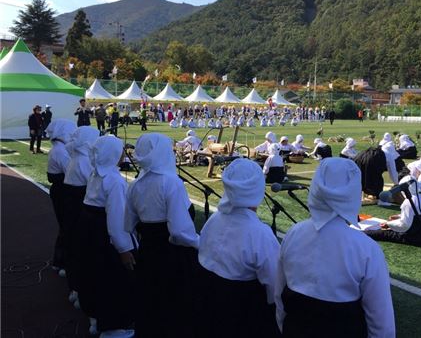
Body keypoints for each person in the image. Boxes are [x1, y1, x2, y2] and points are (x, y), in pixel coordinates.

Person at [275, 158, 395, 337]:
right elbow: (381, 321)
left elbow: (279, 295)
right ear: (353, 193)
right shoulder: (366, 249)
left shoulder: (294, 233)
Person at [125, 133, 199, 337]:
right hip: (174, 257)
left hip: (147, 254)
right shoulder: (171, 182)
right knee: (175, 308)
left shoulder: (135, 185)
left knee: (150, 305)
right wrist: (201, 243)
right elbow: (179, 232)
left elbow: (128, 224)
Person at [196, 159, 280, 338]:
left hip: (206, 301)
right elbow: (275, 286)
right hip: (241, 311)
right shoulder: (260, 233)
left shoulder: (214, 219)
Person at [75, 136, 136, 336]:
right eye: (120, 151)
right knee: (111, 277)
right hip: (102, 231)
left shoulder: (96, 174)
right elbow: (116, 221)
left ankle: (94, 315)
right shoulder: (114, 180)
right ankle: (114, 326)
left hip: (88, 228)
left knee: (93, 271)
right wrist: (123, 249)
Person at [62, 126, 100, 303]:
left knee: (74, 246)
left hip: (73, 208)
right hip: (80, 210)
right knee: (81, 250)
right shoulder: (84, 161)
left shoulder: (77, 157)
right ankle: (80, 290)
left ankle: (76, 288)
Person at [365, 172, 421, 248]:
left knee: (382, 233)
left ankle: (363, 233)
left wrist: (388, 224)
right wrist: (399, 216)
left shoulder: (408, 202)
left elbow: (404, 225)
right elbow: (417, 215)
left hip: (415, 236)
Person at [46, 119, 77, 272]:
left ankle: (59, 261)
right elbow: (71, 172)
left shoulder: (59, 148)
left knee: (65, 226)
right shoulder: (61, 151)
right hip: (63, 192)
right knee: (67, 226)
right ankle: (63, 261)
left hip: (59, 190)